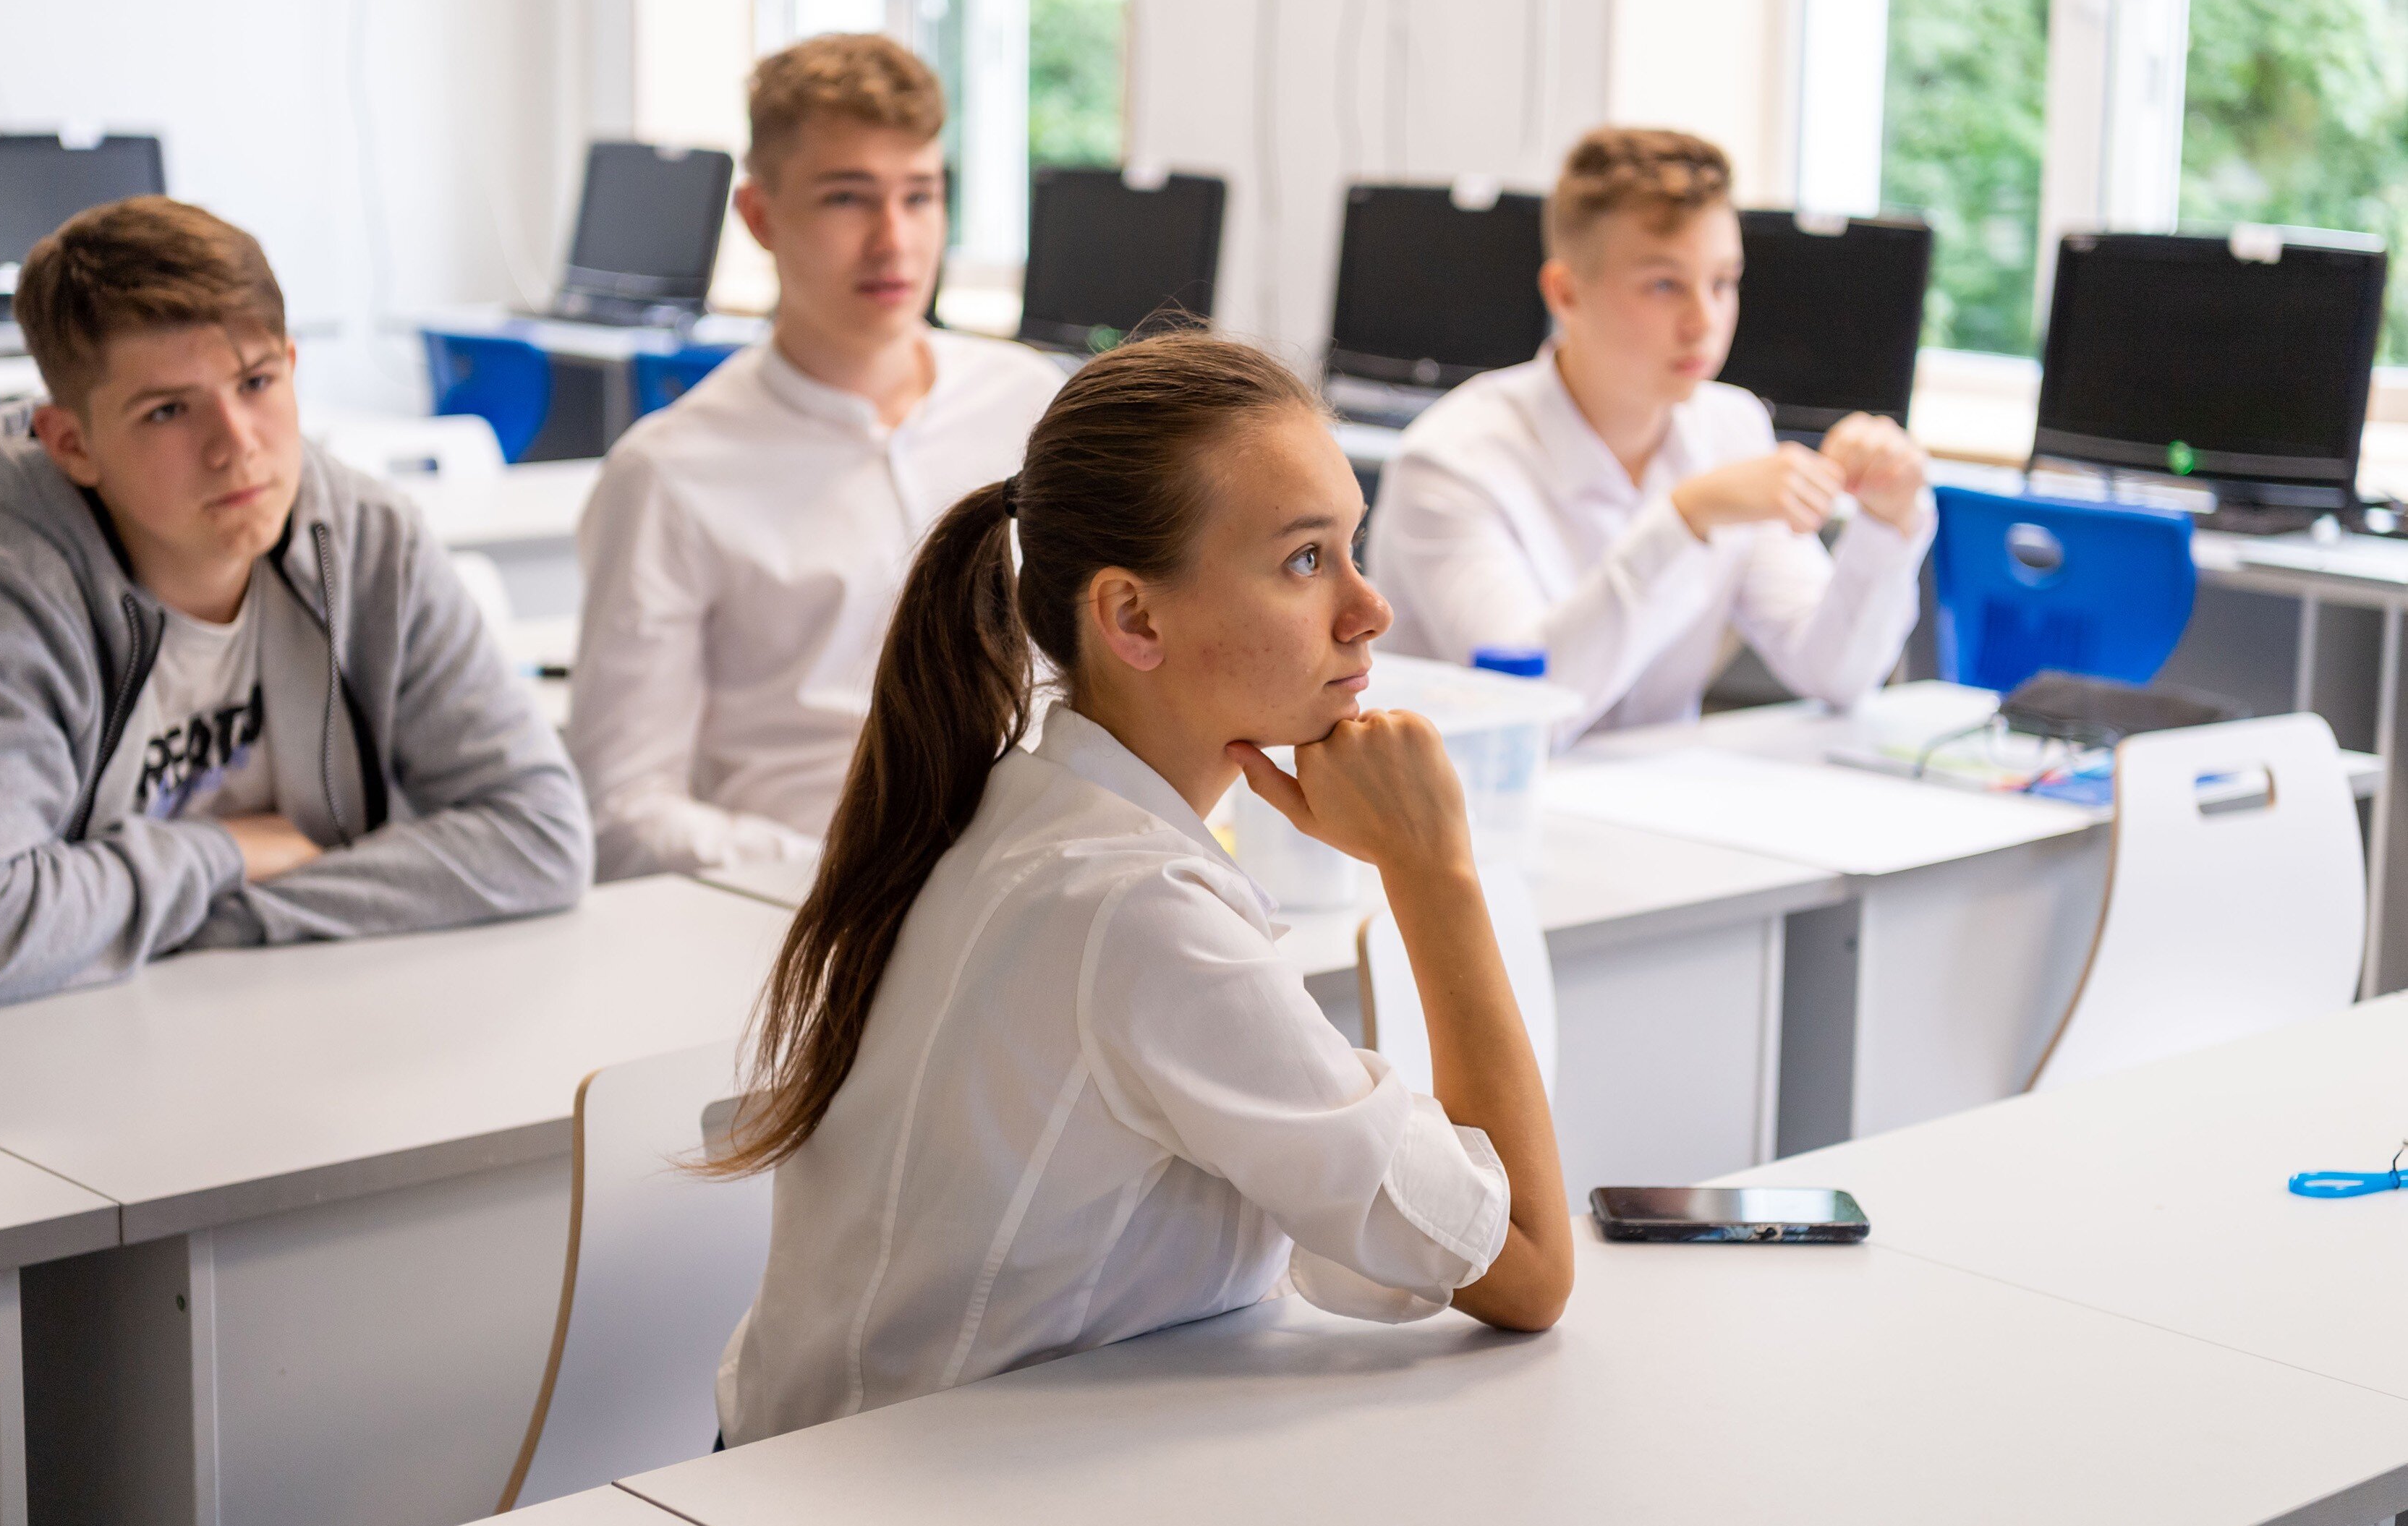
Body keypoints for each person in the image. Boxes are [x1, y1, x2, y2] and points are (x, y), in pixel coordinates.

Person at [706, 331, 1572, 1447]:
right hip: (896, 1517)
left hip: (863, 1480)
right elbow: (1531, 1272)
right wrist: (1434, 871)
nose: (1370, 611)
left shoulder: (1016, 806)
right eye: (1307, 561)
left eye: (1353, 548)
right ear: (1134, 619)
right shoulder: (1136, 912)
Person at [0, 197, 592, 1014]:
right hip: (28, 1073)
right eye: (168, 410)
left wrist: (210, 916)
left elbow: (542, 837)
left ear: (291, 364)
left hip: (292, 1020)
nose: (236, 442)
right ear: (71, 441)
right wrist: (222, 851)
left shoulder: (368, 540)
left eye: (256, 382)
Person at [571, 33, 1064, 881]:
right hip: (802, 912)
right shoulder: (668, 472)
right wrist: (853, 874)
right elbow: (621, 812)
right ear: (759, 217)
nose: (893, 241)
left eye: (919, 196)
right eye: (848, 198)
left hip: (1043, 878)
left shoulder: (1029, 403)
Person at [1366, 128, 1933, 740]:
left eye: (1722, 282)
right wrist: (1685, 519)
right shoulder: (1451, 461)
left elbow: (1834, 672)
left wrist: (1887, 525)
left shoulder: (1731, 427)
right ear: (1565, 292)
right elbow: (1527, 717)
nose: (1704, 322)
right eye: (1664, 284)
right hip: (1465, 820)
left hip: (1649, 812)